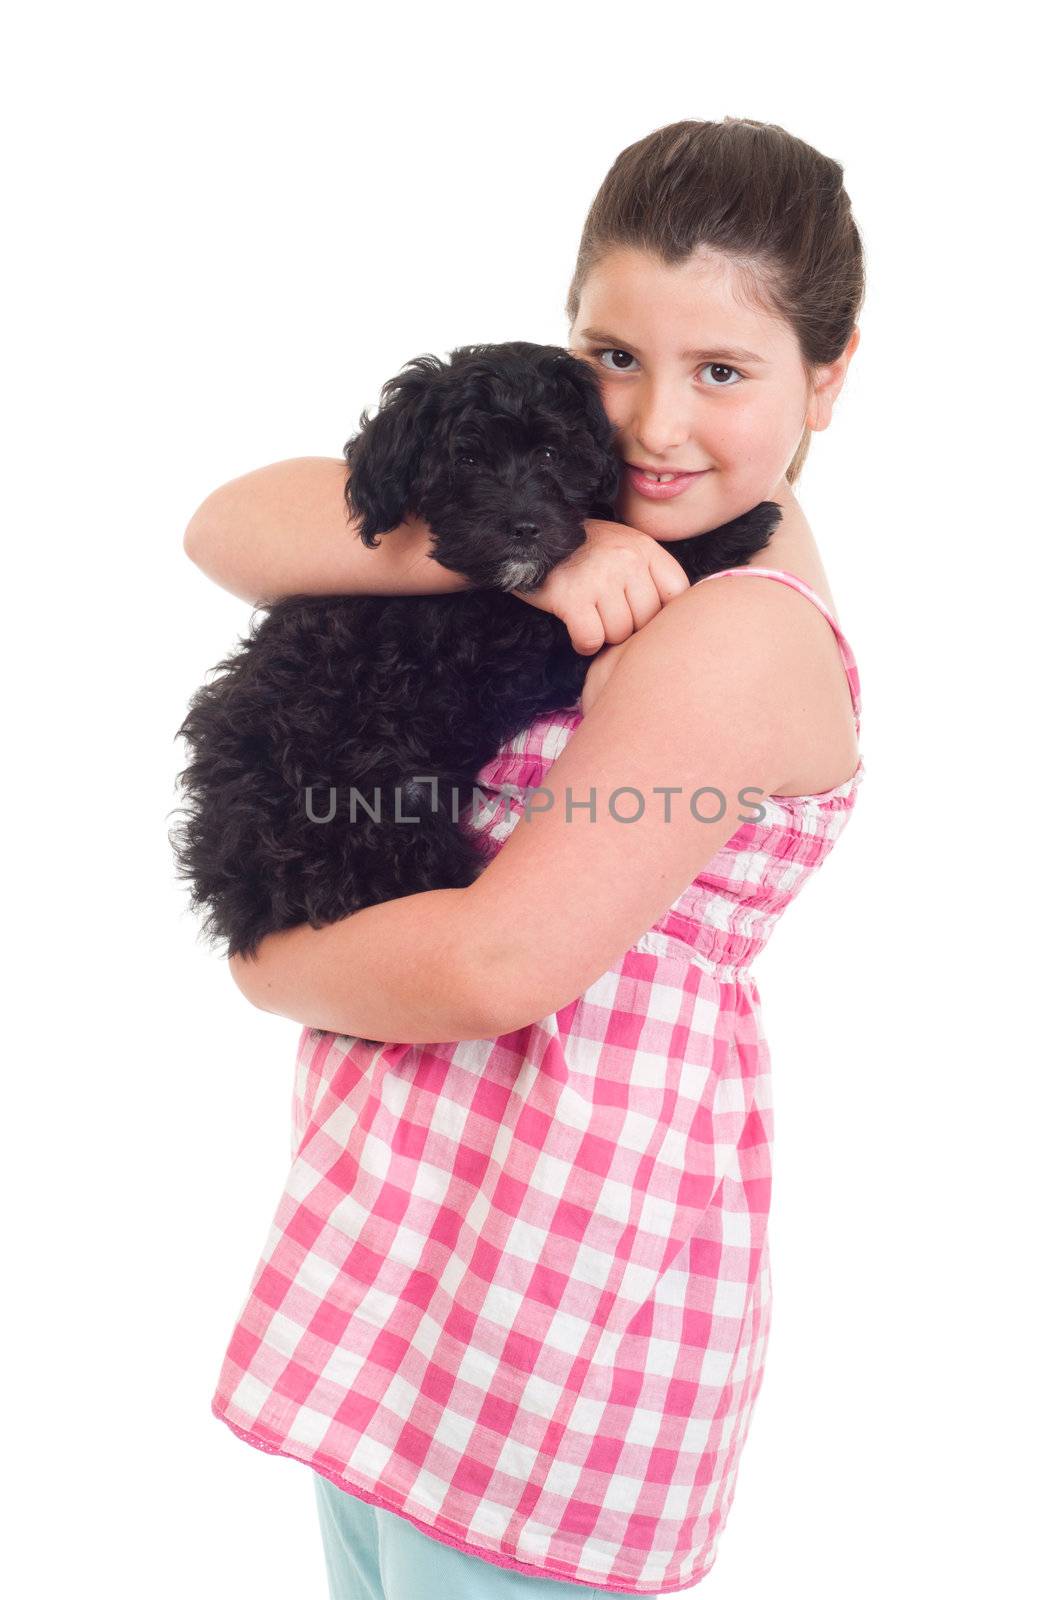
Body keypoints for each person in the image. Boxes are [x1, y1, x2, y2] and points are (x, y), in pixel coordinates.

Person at [184, 117, 866, 1597]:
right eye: (614, 356)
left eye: (725, 373)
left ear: (832, 373)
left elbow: (500, 962)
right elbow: (233, 522)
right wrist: (527, 552)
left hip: (544, 1313)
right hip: (407, 1260)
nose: (653, 428)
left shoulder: (740, 630)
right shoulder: (574, 523)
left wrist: (261, 966)